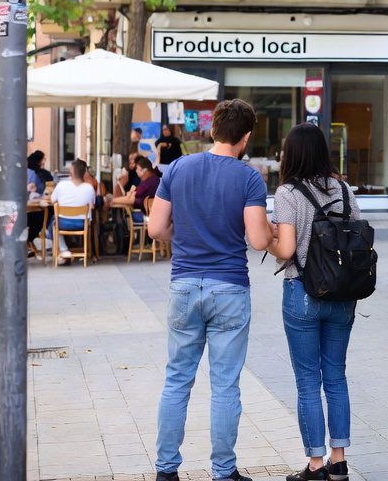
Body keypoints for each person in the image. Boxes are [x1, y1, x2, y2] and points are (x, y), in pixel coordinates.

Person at [147, 99, 273, 481]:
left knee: (176, 379)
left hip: (184, 284)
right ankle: (223, 471)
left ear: (212, 129)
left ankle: (166, 470)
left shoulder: (178, 168)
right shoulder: (249, 178)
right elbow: (256, 239)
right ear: (246, 137)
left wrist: (182, 238)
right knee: (225, 385)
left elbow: (155, 229)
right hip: (229, 287)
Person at [265, 124, 362, 481]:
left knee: (308, 381)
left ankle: (316, 465)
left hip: (302, 293)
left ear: (291, 154)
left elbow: (287, 249)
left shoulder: (287, 193)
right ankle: (339, 461)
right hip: (342, 294)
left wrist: (269, 242)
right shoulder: (344, 189)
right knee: (335, 375)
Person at [45, 159, 97, 263]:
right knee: (54, 222)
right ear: (84, 173)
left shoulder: (61, 185)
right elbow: (92, 205)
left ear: (71, 173)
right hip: (83, 224)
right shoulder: (90, 188)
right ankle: (64, 252)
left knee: (52, 223)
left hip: (63, 224)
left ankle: (63, 252)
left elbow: (52, 200)